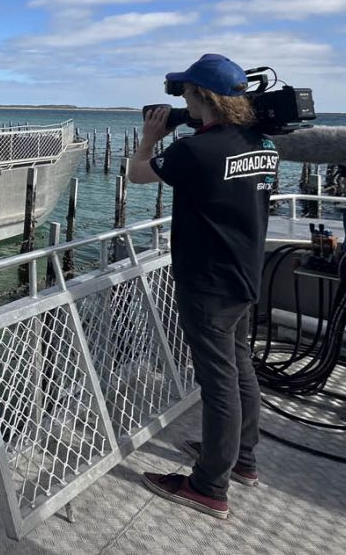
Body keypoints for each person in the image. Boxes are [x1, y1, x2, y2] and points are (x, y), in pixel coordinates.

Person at [127, 53, 279, 520]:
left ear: (202, 97)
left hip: (207, 281)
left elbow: (136, 174)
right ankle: (242, 460)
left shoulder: (195, 150)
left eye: (188, 95)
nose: (184, 104)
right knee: (240, 369)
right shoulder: (265, 144)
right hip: (244, 273)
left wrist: (151, 139)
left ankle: (210, 486)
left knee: (218, 384)